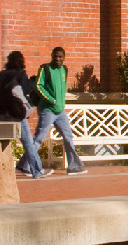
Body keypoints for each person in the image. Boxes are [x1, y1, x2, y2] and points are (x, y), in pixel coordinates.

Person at [0, 50, 46, 179]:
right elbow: (28, 89)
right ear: (21, 61)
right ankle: (37, 170)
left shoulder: (0, 75)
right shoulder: (20, 74)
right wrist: (32, 81)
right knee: (28, 143)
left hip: (0, 114)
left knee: (1, 143)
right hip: (16, 114)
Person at [33, 46, 87, 175]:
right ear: (52, 56)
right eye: (55, 56)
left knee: (68, 137)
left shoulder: (64, 69)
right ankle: (25, 165)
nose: (58, 59)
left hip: (60, 111)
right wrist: (51, 100)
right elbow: (38, 86)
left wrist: (60, 103)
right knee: (39, 138)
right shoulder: (45, 68)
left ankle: (73, 166)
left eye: (60, 57)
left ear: (64, 58)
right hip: (48, 110)